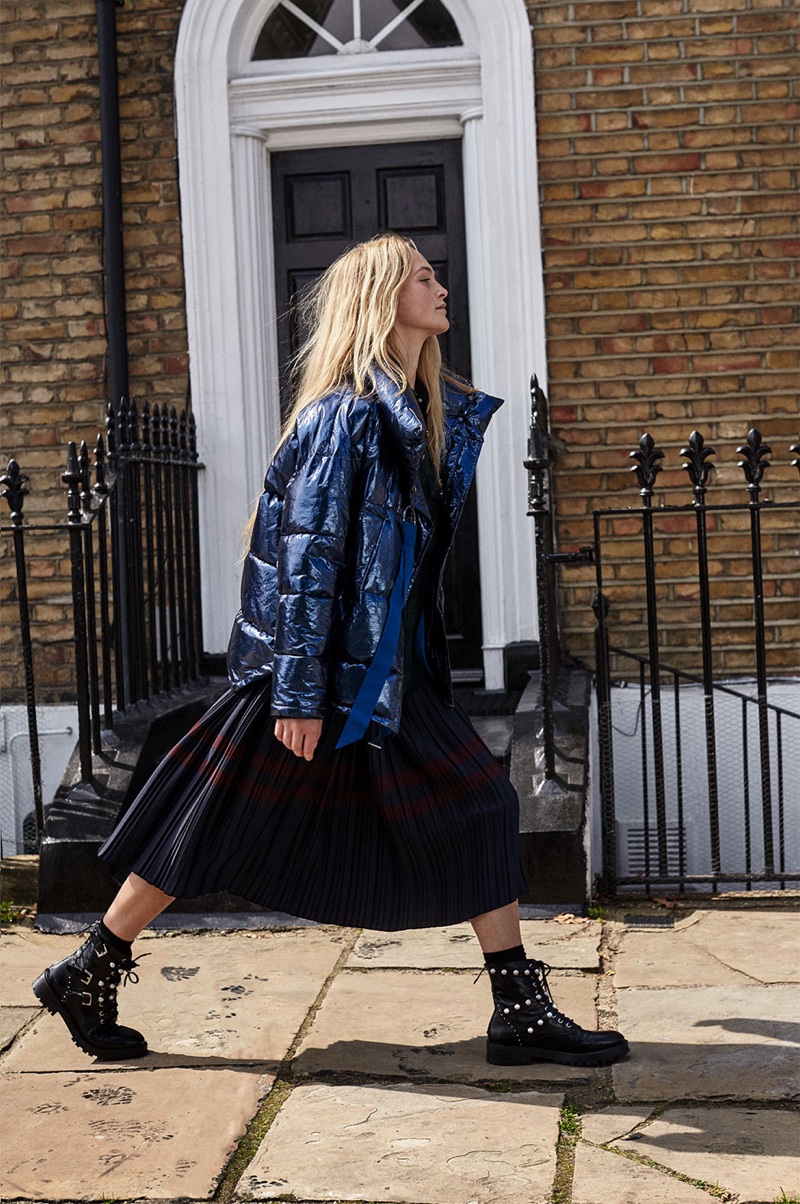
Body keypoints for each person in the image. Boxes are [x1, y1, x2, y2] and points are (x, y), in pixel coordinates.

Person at [32, 233, 628, 1069]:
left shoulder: (416, 413)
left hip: (383, 673)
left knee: (483, 808)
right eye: (423, 277)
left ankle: (517, 1007)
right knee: (205, 826)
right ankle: (90, 966)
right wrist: (298, 694)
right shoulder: (344, 413)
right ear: (385, 301)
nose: (440, 285)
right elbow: (308, 561)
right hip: (313, 671)